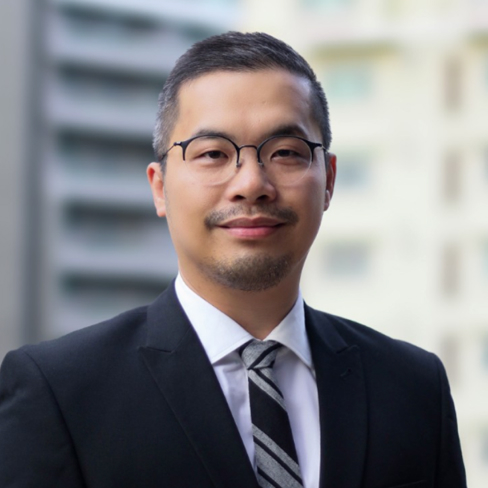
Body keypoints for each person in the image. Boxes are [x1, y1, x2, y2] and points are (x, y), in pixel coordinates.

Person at [0, 32, 466, 488]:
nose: (251, 183)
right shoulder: (59, 393)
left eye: (285, 152)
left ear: (328, 179)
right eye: (212, 154)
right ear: (159, 187)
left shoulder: (412, 387)